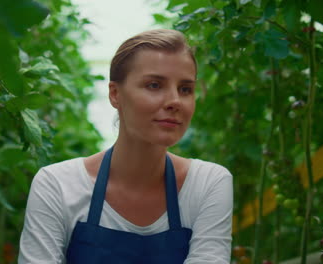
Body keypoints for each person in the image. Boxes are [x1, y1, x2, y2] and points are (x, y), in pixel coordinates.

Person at [18, 29, 233, 264]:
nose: (174, 101)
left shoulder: (208, 183)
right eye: (154, 85)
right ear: (115, 94)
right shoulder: (57, 185)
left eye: (185, 89)